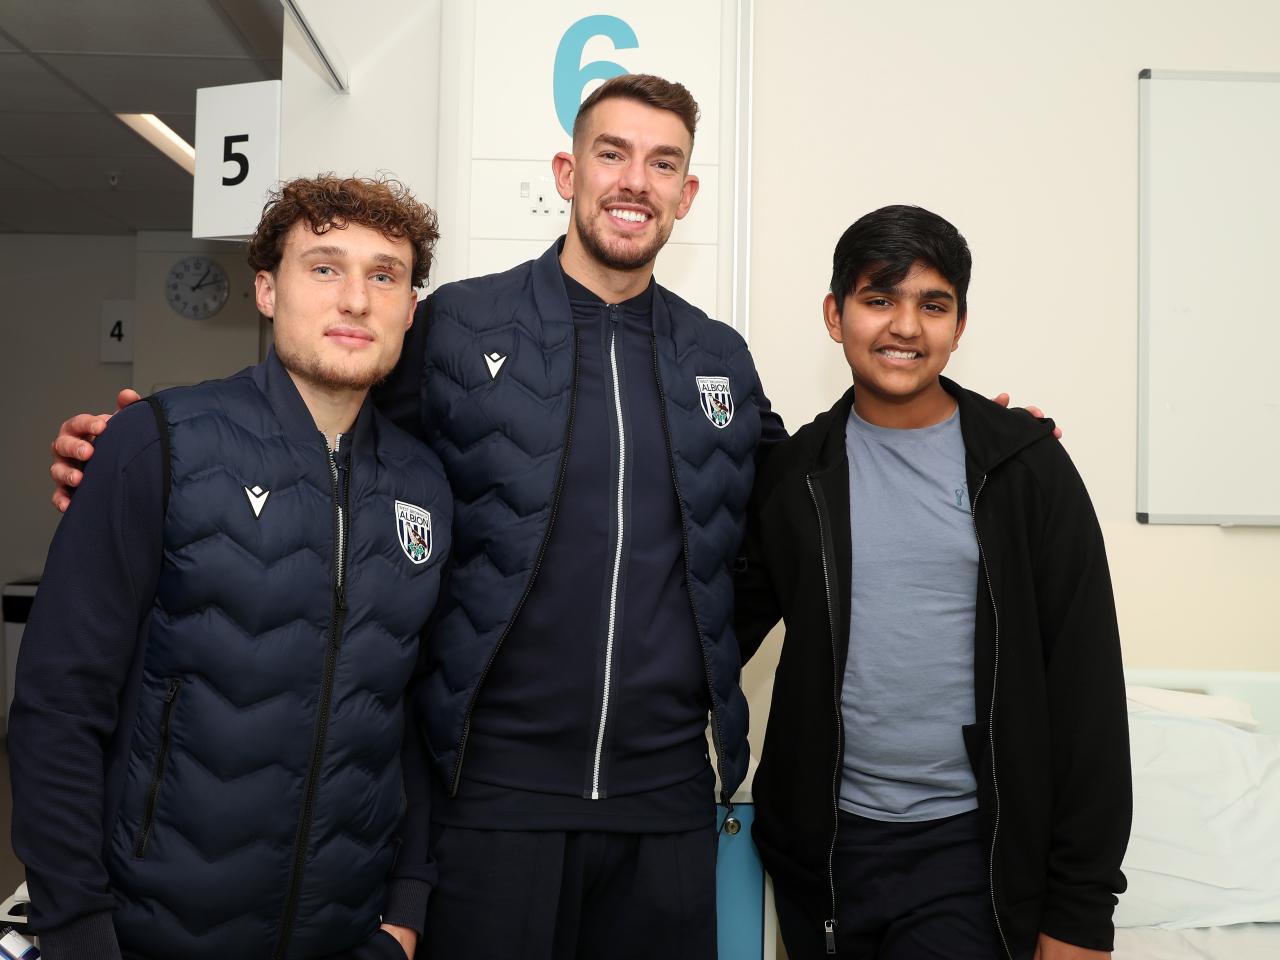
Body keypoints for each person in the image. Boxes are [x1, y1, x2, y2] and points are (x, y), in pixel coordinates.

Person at [47, 79, 1053, 960]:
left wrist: (952, 433)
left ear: (685, 196)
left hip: (665, 806)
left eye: (663, 164)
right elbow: (334, 441)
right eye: (611, 154)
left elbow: (800, 490)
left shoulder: (717, 357)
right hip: (488, 800)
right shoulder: (459, 326)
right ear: (568, 170)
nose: (634, 179)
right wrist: (157, 445)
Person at [11, 176, 452, 960]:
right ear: (266, 289)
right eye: (323, 267)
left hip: (345, 934)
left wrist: (403, 916)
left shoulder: (425, 488)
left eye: (383, 274)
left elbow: (409, 721)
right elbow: (58, 706)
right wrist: (75, 929)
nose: (355, 298)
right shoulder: (159, 443)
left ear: (410, 308)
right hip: (149, 932)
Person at [734, 205, 1131, 960]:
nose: (905, 327)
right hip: (825, 857)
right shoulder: (796, 477)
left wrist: (1080, 911)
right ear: (834, 314)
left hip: (969, 852)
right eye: (879, 299)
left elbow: (1086, 695)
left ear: (960, 324)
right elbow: (710, 629)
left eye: (932, 304)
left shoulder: (1023, 470)